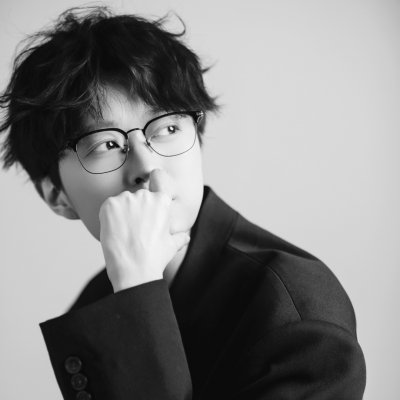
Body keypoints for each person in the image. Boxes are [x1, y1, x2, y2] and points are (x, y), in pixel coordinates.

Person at [0, 6, 366, 400]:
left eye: (168, 127)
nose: (147, 166)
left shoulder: (294, 310)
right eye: (105, 144)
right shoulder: (100, 300)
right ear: (56, 196)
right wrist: (134, 291)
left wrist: (137, 291)